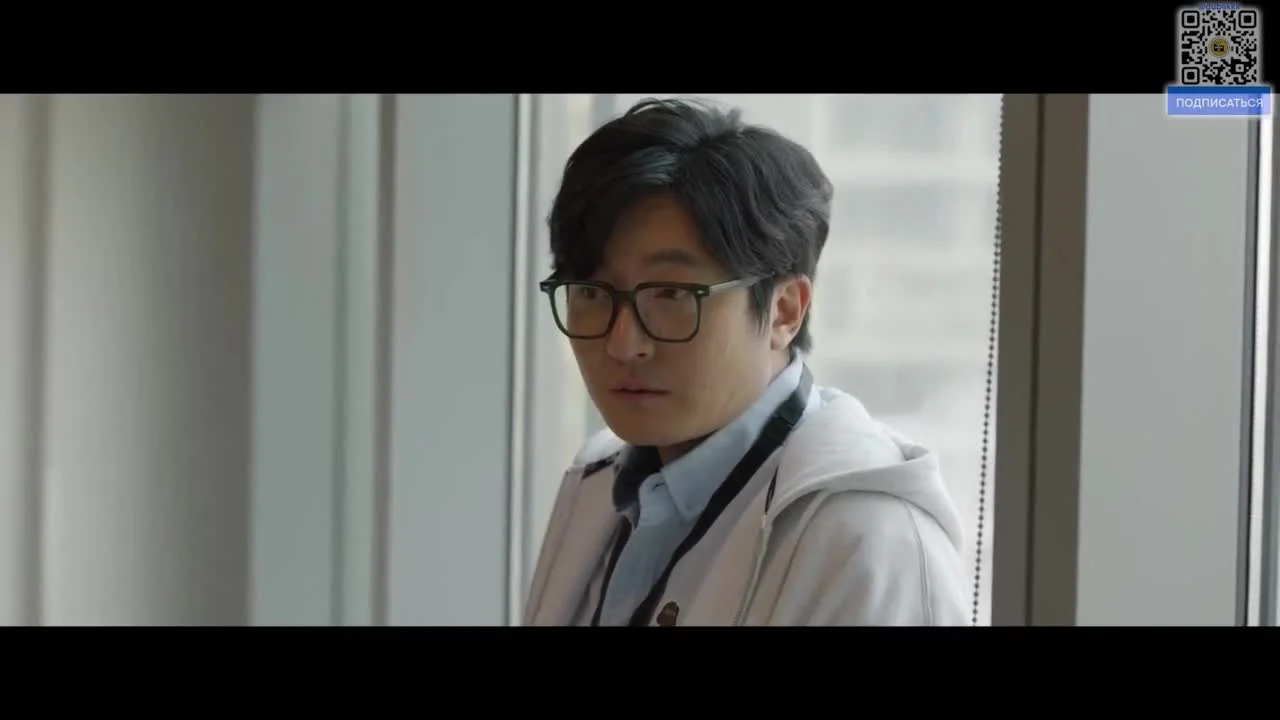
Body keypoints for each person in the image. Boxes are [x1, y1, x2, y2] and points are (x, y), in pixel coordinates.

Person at [523, 97, 968, 627]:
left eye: (671, 294)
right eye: (592, 292)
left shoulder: (872, 542)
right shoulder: (597, 488)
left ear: (785, 311)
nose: (623, 344)